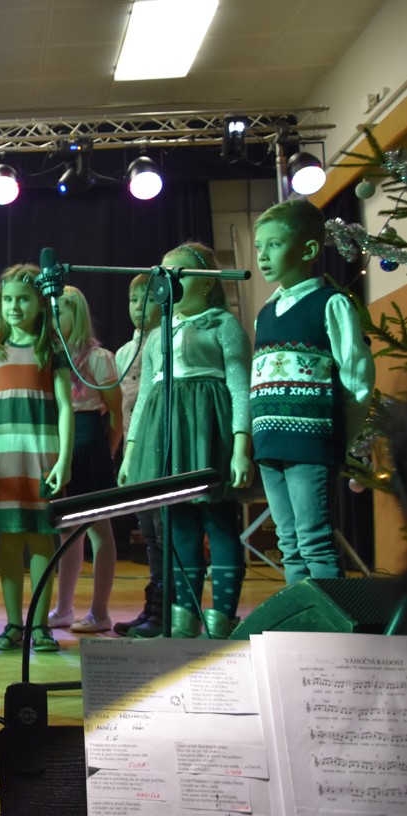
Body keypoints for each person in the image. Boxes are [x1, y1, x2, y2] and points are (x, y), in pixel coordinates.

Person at [119, 243, 253, 639]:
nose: (170, 281)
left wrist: (240, 447)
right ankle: (185, 615)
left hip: (207, 430)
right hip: (165, 432)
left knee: (219, 519)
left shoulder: (223, 325)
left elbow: (240, 388)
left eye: (180, 273)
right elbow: (145, 395)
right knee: (177, 521)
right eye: (164, 274)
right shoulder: (158, 334)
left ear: (208, 283)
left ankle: (222, 616)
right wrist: (131, 452)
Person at [251, 200, 375, 586]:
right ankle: (302, 619)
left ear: (307, 250)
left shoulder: (329, 303)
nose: (262, 255)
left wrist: (340, 437)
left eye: (274, 244)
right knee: (288, 543)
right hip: (269, 442)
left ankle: (331, 623)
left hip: (312, 442)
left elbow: (357, 376)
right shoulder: (265, 313)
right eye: (259, 246)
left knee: (315, 541)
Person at [0, 264, 73, 654]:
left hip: (42, 455)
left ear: (40, 303)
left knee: (42, 539)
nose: (14, 306)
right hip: (3, 459)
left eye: (23, 299)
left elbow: (65, 406)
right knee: (10, 542)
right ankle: (14, 624)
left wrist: (64, 459)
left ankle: (40, 626)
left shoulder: (52, 348)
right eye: (9, 299)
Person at [46, 286, 122, 635]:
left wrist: (107, 452)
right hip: (62, 442)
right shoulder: (49, 355)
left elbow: (116, 414)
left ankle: (100, 612)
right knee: (67, 532)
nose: (52, 318)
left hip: (89, 439)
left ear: (75, 315)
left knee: (99, 530)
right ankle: (63, 608)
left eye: (59, 311)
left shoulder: (98, 357)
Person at [112, 274, 166, 637]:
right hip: (135, 452)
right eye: (134, 301)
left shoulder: (167, 344)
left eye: (147, 300)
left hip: (161, 449)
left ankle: (168, 609)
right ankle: (153, 606)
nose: (139, 308)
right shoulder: (123, 353)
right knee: (147, 531)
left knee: (163, 530)